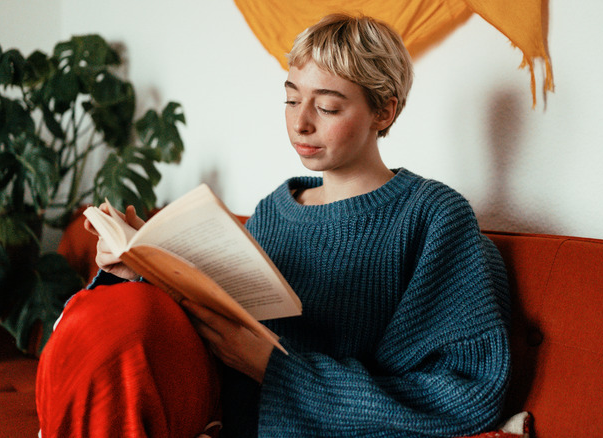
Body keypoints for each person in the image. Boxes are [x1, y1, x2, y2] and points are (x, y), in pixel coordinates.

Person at [36, 13, 511, 438]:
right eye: (290, 99)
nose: (300, 123)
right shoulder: (275, 209)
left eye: (326, 107)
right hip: (207, 397)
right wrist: (141, 265)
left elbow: (467, 393)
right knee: (117, 313)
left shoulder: (430, 216)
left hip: (276, 415)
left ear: (384, 111)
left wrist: (275, 369)